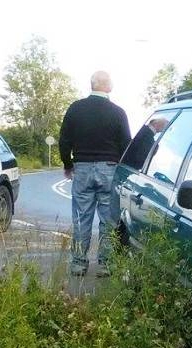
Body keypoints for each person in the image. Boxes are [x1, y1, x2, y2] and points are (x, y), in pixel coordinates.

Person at [59, 70, 131, 277]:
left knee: (81, 217)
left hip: (81, 167)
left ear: (92, 85)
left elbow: (64, 140)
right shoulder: (118, 112)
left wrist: (67, 164)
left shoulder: (75, 109)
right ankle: (105, 264)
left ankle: (79, 264)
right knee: (108, 219)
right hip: (109, 169)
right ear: (108, 86)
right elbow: (126, 144)